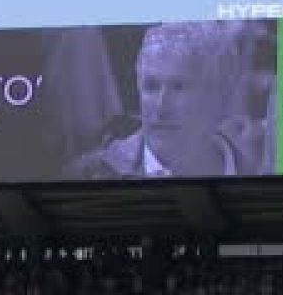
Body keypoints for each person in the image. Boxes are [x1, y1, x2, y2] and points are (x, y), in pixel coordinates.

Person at [67, 21, 267, 179]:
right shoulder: (86, 176)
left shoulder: (263, 171)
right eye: (151, 87)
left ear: (220, 95)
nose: (161, 107)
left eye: (179, 88)